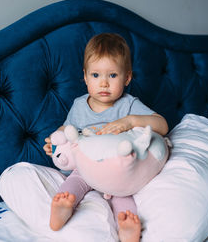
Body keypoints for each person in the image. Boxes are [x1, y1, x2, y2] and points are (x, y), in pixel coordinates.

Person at [43, 33, 169, 242]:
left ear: (127, 77)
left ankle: (126, 224)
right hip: (86, 167)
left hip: (116, 169)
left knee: (123, 192)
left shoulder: (128, 104)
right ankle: (64, 204)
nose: (103, 83)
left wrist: (130, 121)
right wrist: (55, 143)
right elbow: (66, 129)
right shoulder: (79, 105)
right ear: (84, 76)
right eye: (95, 75)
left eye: (112, 76)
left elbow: (162, 125)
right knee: (75, 179)